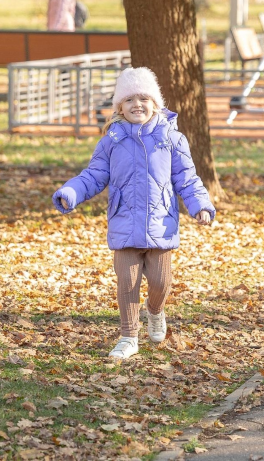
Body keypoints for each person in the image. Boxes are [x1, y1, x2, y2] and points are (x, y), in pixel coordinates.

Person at [51, 67, 216, 360]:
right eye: (129, 100)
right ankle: (128, 337)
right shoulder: (111, 142)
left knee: (160, 283)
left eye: (143, 98)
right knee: (127, 283)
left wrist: (200, 205)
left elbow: (187, 179)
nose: (137, 104)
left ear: (155, 103)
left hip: (160, 225)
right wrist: (71, 192)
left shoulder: (172, 139)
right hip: (124, 225)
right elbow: (93, 175)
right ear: (119, 107)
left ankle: (155, 311)